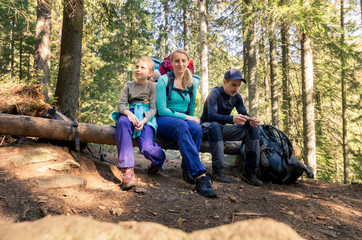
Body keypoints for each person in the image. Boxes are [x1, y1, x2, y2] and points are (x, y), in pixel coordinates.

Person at [156, 49, 217, 198]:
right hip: (164, 120)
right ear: (171, 63)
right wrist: (187, 118)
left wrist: (189, 118)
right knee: (183, 125)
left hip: (183, 120)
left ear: (188, 62)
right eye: (177, 61)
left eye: (183, 61)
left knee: (196, 129)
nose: (180, 64)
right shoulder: (164, 80)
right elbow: (162, 110)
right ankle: (200, 176)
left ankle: (187, 169)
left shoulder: (192, 84)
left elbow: (191, 112)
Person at [200, 69, 263, 186]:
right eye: (233, 85)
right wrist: (232, 119)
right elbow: (211, 116)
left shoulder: (237, 97)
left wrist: (251, 121)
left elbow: (244, 114)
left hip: (220, 130)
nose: (236, 88)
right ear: (224, 82)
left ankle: (250, 173)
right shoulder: (215, 93)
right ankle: (218, 172)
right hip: (206, 128)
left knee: (251, 129)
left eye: (238, 86)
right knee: (215, 125)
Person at [115, 56, 166, 190]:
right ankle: (127, 172)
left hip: (146, 117)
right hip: (130, 113)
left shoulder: (152, 87)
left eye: (142, 67)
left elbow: (154, 109)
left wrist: (143, 121)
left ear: (150, 73)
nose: (138, 69)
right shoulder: (128, 85)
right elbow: (121, 105)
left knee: (146, 147)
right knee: (122, 122)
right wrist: (128, 114)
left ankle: (159, 159)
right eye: (137, 66)